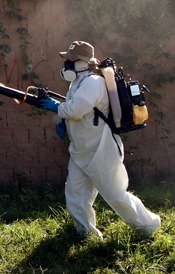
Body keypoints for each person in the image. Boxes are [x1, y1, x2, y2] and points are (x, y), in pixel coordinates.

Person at [40, 41, 161, 238]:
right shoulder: (77, 83)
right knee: (75, 193)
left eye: (71, 60)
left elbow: (75, 109)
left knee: (116, 195)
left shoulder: (93, 82)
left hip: (101, 150)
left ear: (82, 62)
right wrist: (63, 121)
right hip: (81, 149)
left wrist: (56, 107)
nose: (67, 65)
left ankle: (149, 226)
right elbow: (76, 110)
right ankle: (85, 233)